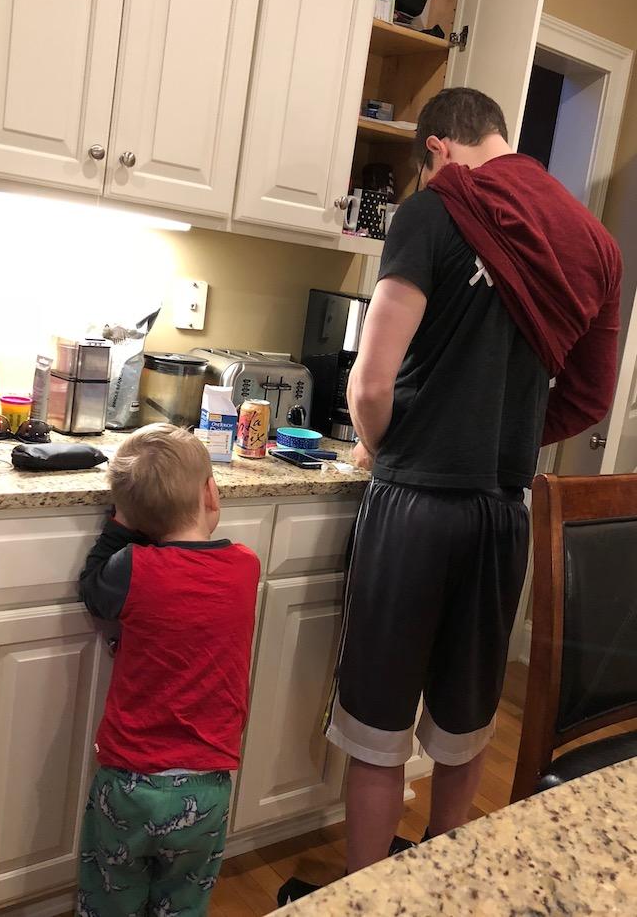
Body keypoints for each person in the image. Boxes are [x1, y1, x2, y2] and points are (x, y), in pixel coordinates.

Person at [279, 86, 622, 903]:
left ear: (436, 148)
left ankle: (365, 895)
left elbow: (369, 382)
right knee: (467, 721)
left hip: (416, 506)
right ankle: (447, 881)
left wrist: (381, 448)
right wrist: (499, 428)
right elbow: (588, 400)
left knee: (378, 719)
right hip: (504, 511)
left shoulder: (435, 210)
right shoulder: (593, 242)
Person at [76, 425, 260, 917]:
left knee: (111, 898)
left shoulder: (130, 566)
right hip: (208, 786)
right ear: (210, 492)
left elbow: (92, 588)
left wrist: (119, 525)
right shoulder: (246, 566)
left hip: (129, 783)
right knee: (183, 904)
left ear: (132, 519)